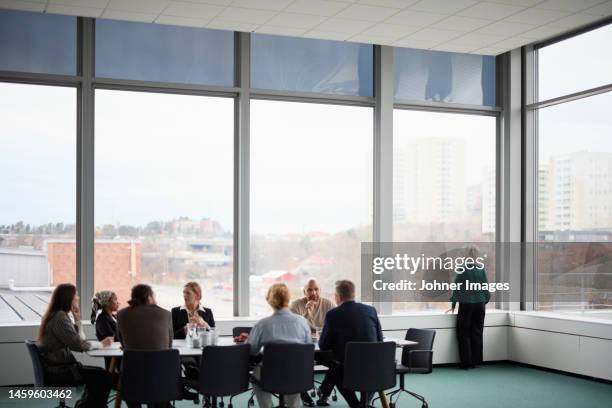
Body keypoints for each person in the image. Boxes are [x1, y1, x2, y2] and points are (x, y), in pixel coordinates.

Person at [38, 283, 113, 408]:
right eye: (76, 295)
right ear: (68, 298)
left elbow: (79, 341)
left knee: (101, 374)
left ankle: (85, 405)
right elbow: (79, 345)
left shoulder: (58, 315)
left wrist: (78, 320)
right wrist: (101, 344)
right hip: (62, 370)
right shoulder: (60, 317)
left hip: (60, 367)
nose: (78, 298)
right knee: (105, 377)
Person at [318, 280, 383, 408]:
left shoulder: (333, 315)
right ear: (354, 295)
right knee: (339, 366)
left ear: (338, 297)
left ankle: (354, 404)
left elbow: (324, 346)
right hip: (375, 367)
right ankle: (365, 403)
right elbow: (379, 340)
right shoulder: (371, 310)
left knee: (335, 368)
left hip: (346, 369)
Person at [247, 283, 311, 408]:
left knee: (257, 372)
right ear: (288, 299)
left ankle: (267, 406)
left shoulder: (263, 324)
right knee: (295, 368)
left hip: (270, 375)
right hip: (296, 374)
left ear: (269, 301)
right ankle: (293, 405)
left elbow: (252, 351)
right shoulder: (302, 322)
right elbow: (307, 347)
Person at [116, 284, 174, 408]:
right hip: (161, 378)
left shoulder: (121, 315)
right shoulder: (165, 314)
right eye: (154, 296)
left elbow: (123, 344)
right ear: (148, 297)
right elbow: (169, 345)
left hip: (132, 378)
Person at [289, 279, 334, 407]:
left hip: (322, 348)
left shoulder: (328, 304)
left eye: (316, 289)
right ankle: (304, 395)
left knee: (338, 363)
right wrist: (305, 313)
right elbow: (293, 327)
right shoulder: (295, 305)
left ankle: (324, 393)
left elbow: (335, 324)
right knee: (295, 363)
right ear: (304, 291)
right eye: (309, 290)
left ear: (320, 290)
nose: (313, 292)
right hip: (302, 349)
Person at [445, 247, 491, 369]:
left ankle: (466, 363)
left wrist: (454, 303)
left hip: (466, 304)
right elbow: (486, 286)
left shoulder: (462, 269)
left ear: (465, 255)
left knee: (463, 333)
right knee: (477, 332)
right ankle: (476, 361)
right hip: (480, 304)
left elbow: (457, 287)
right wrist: (484, 300)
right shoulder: (481, 268)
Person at [90, 290, 120, 372]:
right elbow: (111, 338)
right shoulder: (102, 319)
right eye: (115, 299)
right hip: (112, 356)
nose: (118, 302)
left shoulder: (114, 317)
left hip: (118, 352)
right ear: (107, 302)